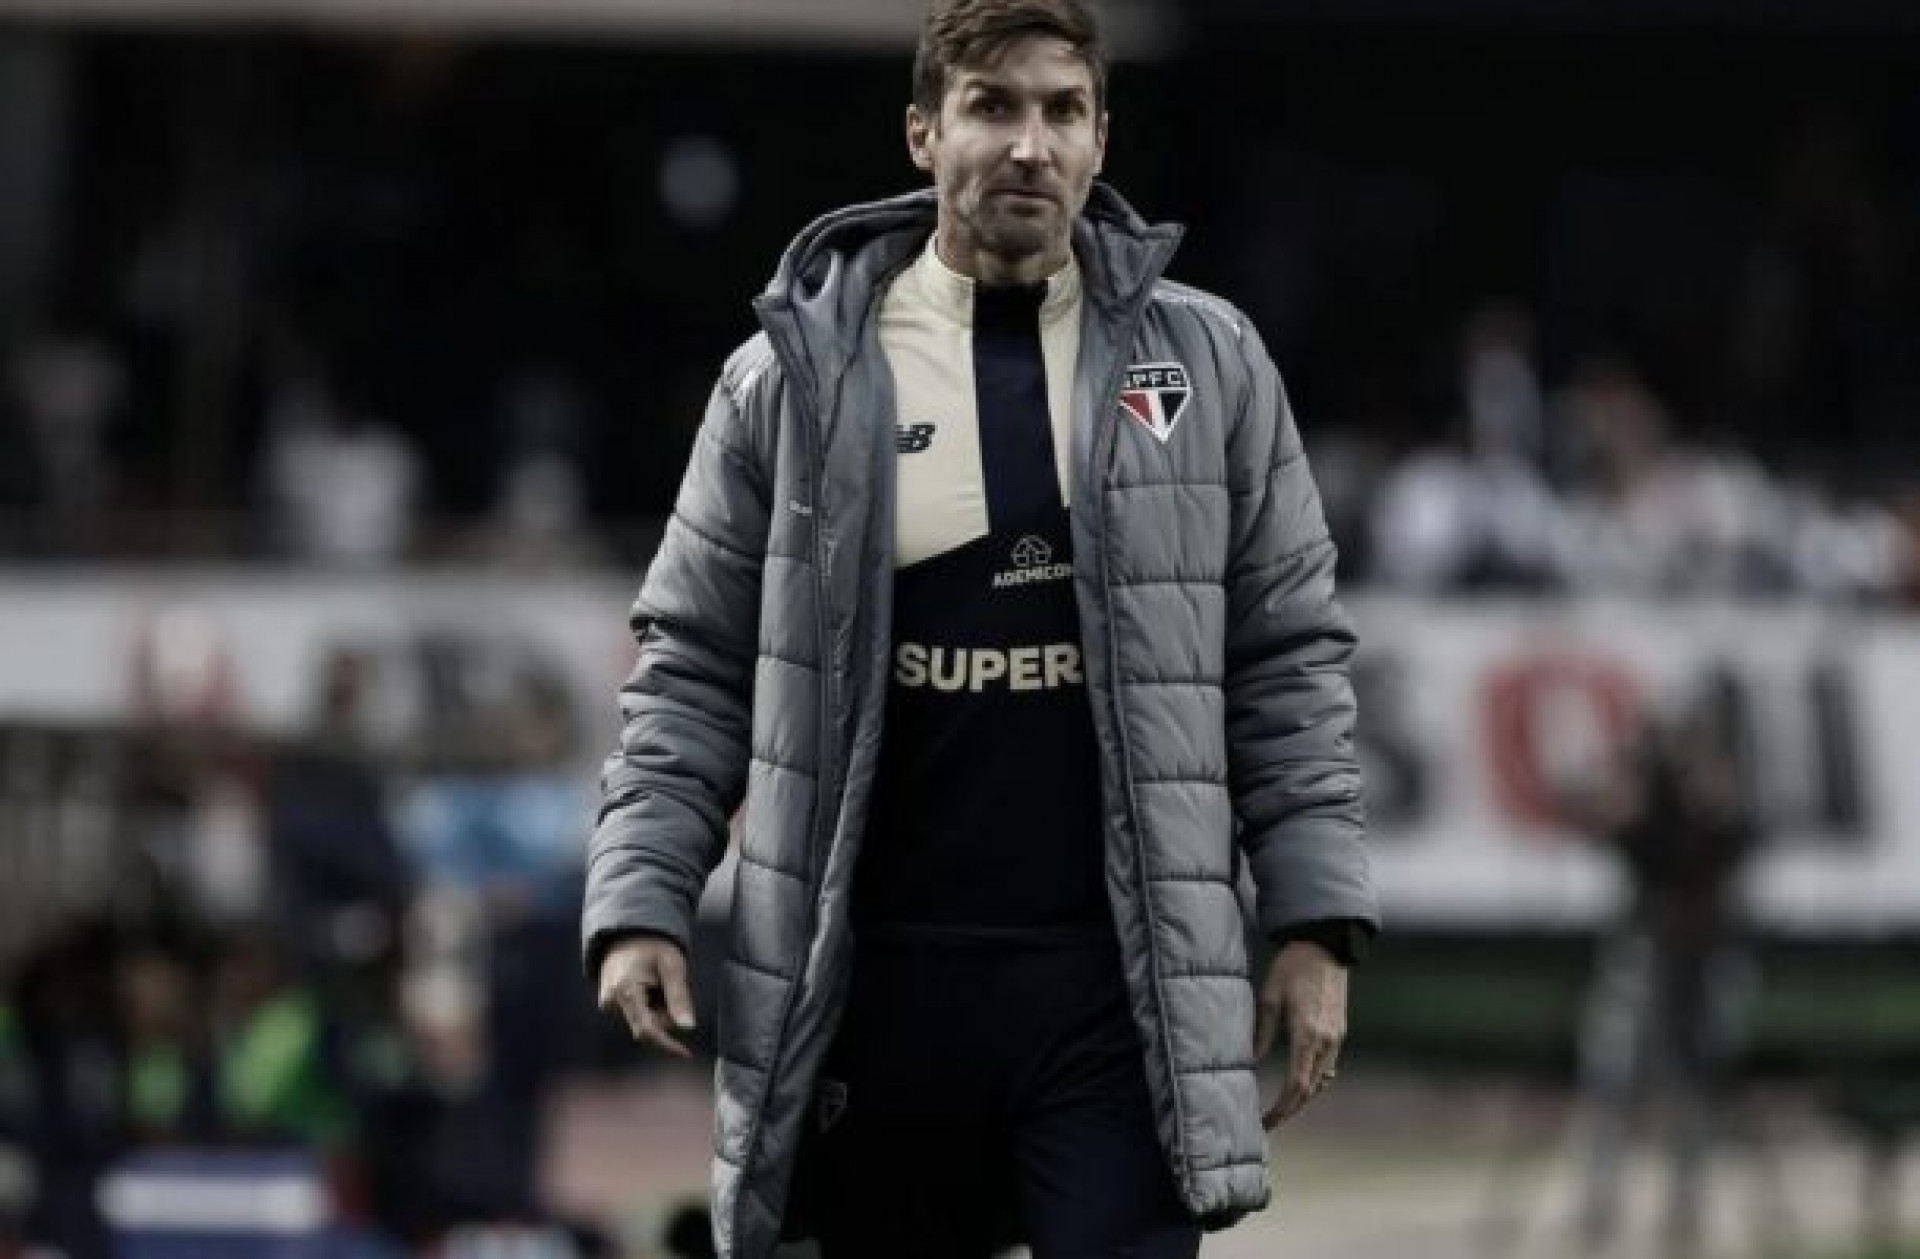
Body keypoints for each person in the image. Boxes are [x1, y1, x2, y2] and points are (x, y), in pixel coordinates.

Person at [582, 3, 1378, 1256]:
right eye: (992, 106)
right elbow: (693, 666)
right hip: (876, 992)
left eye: (1063, 111)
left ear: (1101, 139)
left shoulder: (1211, 362)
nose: (1029, 144)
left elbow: (1285, 660)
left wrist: (1315, 921)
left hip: (1119, 995)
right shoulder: (790, 377)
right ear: (923, 133)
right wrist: (640, 897)